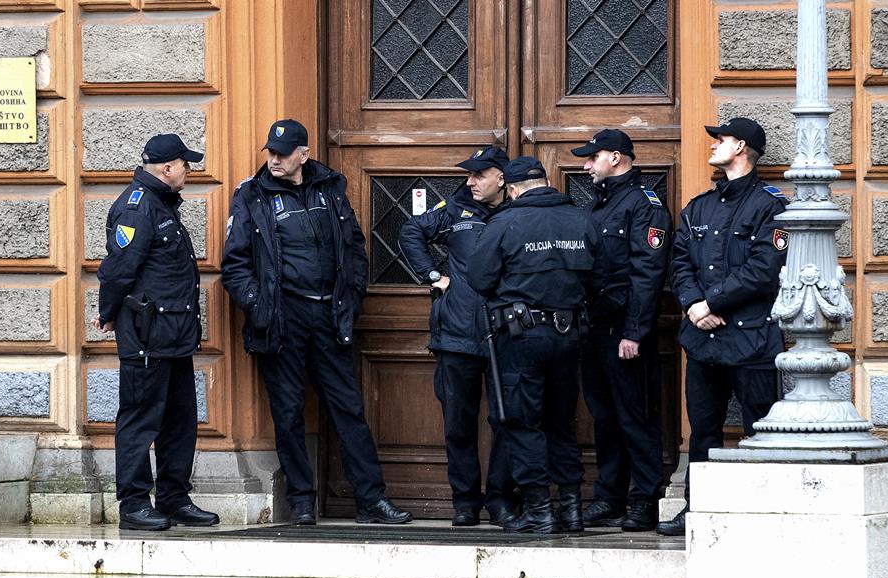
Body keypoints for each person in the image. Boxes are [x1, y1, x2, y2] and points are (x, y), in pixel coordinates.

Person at [221, 118, 412, 526]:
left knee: (348, 408)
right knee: (288, 412)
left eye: (283, 153)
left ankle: (371, 500)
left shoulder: (330, 188)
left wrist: (353, 295)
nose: (274, 159)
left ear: (303, 154)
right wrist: (259, 306)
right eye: (271, 152)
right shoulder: (251, 195)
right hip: (281, 319)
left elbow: (354, 246)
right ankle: (302, 502)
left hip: (329, 316)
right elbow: (234, 264)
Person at [658, 118, 789, 536]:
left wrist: (710, 303)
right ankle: (696, 508)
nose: (714, 144)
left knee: (761, 430)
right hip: (703, 340)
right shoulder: (699, 206)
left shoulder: (771, 206)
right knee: (702, 432)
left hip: (752, 339)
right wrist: (693, 305)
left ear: (742, 147)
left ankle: (764, 515)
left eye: (721, 138)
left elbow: (763, 271)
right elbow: (679, 262)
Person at [469, 156, 607, 534]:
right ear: (546, 182)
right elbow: (600, 276)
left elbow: (480, 278)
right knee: (561, 422)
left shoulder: (504, 223)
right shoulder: (581, 220)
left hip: (521, 337)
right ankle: (572, 510)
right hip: (569, 334)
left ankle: (540, 510)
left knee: (523, 422)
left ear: (513, 190)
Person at [94, 133, 219, 531]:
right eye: (185, 164)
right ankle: (134, 504)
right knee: (140, 419)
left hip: (174, 334)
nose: (189, 171)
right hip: (147, 335)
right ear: (167, 168)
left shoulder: (161, 204)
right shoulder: (137, 207)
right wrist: (108, 312)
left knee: (180, 420)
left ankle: (173, 497)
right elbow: (118, 270)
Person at [398, 147, 518, 527]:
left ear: (501, 178)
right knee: (458, 423)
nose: (471, 181)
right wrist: (433, 276)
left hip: (507, 335)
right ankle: (465, 502)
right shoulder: (454, 209)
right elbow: (410, 231)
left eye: (479, 174)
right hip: (458, 333)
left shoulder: (519, 211)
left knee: (507, 420)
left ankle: (501, 500)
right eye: (469, 174)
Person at [571, 129, 672, 533]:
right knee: (605, 417)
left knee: (635, 417)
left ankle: (644, 498)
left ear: (615, 157)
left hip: (625, 331)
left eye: (592, 157)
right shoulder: (598, 205)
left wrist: (635, 331)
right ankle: (609, 497)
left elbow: (647, 273)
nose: (586, 165)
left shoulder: (644, 205)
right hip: (594, 327)